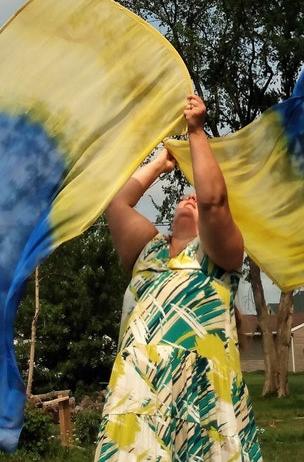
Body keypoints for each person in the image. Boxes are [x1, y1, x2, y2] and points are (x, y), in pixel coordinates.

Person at [94, 94, 263, 461]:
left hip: (203, 399)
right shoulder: (149, 254)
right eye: (184, 198)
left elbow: (214, 201)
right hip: (139, 398)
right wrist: (160, 164)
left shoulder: (220, 258)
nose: (190, 198)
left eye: (195, 198)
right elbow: (117, 204)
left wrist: (197, 132)